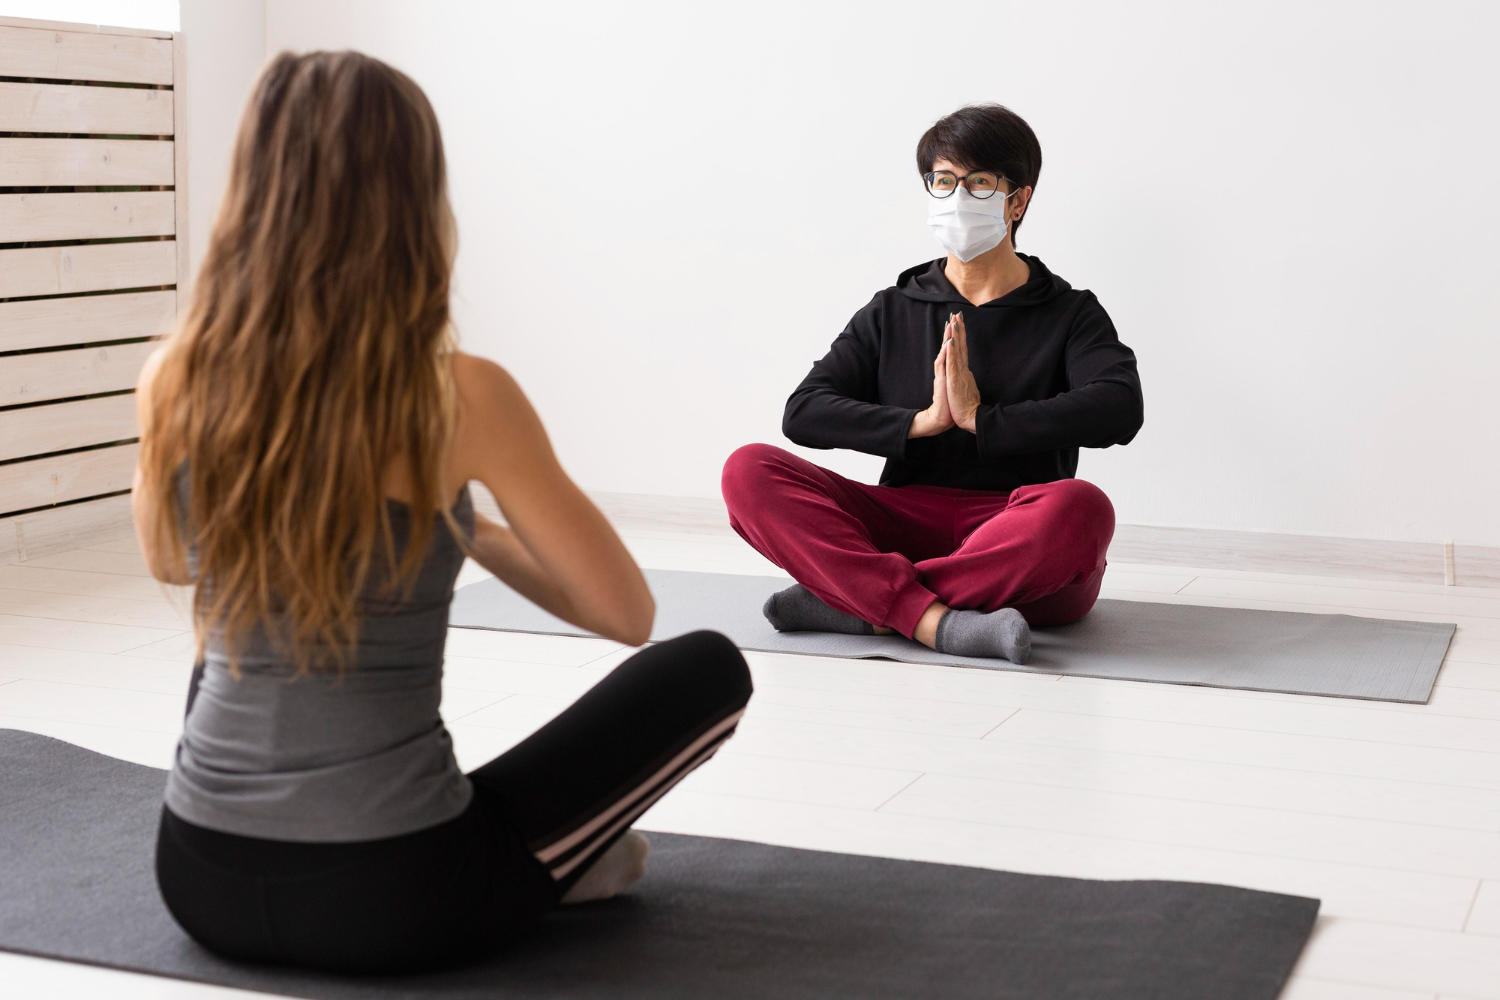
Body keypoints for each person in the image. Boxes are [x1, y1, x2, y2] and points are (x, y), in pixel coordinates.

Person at [132, 50, 752, 975]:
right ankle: (547, 872)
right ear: (414, 202)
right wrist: (469, 526)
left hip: (198, 877)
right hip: (388, 899)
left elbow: (174, 564)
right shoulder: (457, 397)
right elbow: (626, 615)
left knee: (237, 622)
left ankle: (537, 868)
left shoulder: (176, 375)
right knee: (705, 668)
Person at [722, 103, 1144, 665]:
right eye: (944, 181)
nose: (957, 196)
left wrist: (981, 420)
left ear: (1018, 199)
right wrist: (920, 423)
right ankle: (934, 620)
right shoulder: (893, 308)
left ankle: (863, 602)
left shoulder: (1070, 313)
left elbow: (1120, 408)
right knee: (748, 469)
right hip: (903, 521)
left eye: (979, 183)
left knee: (1083, 508)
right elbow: (803, 412)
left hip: (1015, 534)